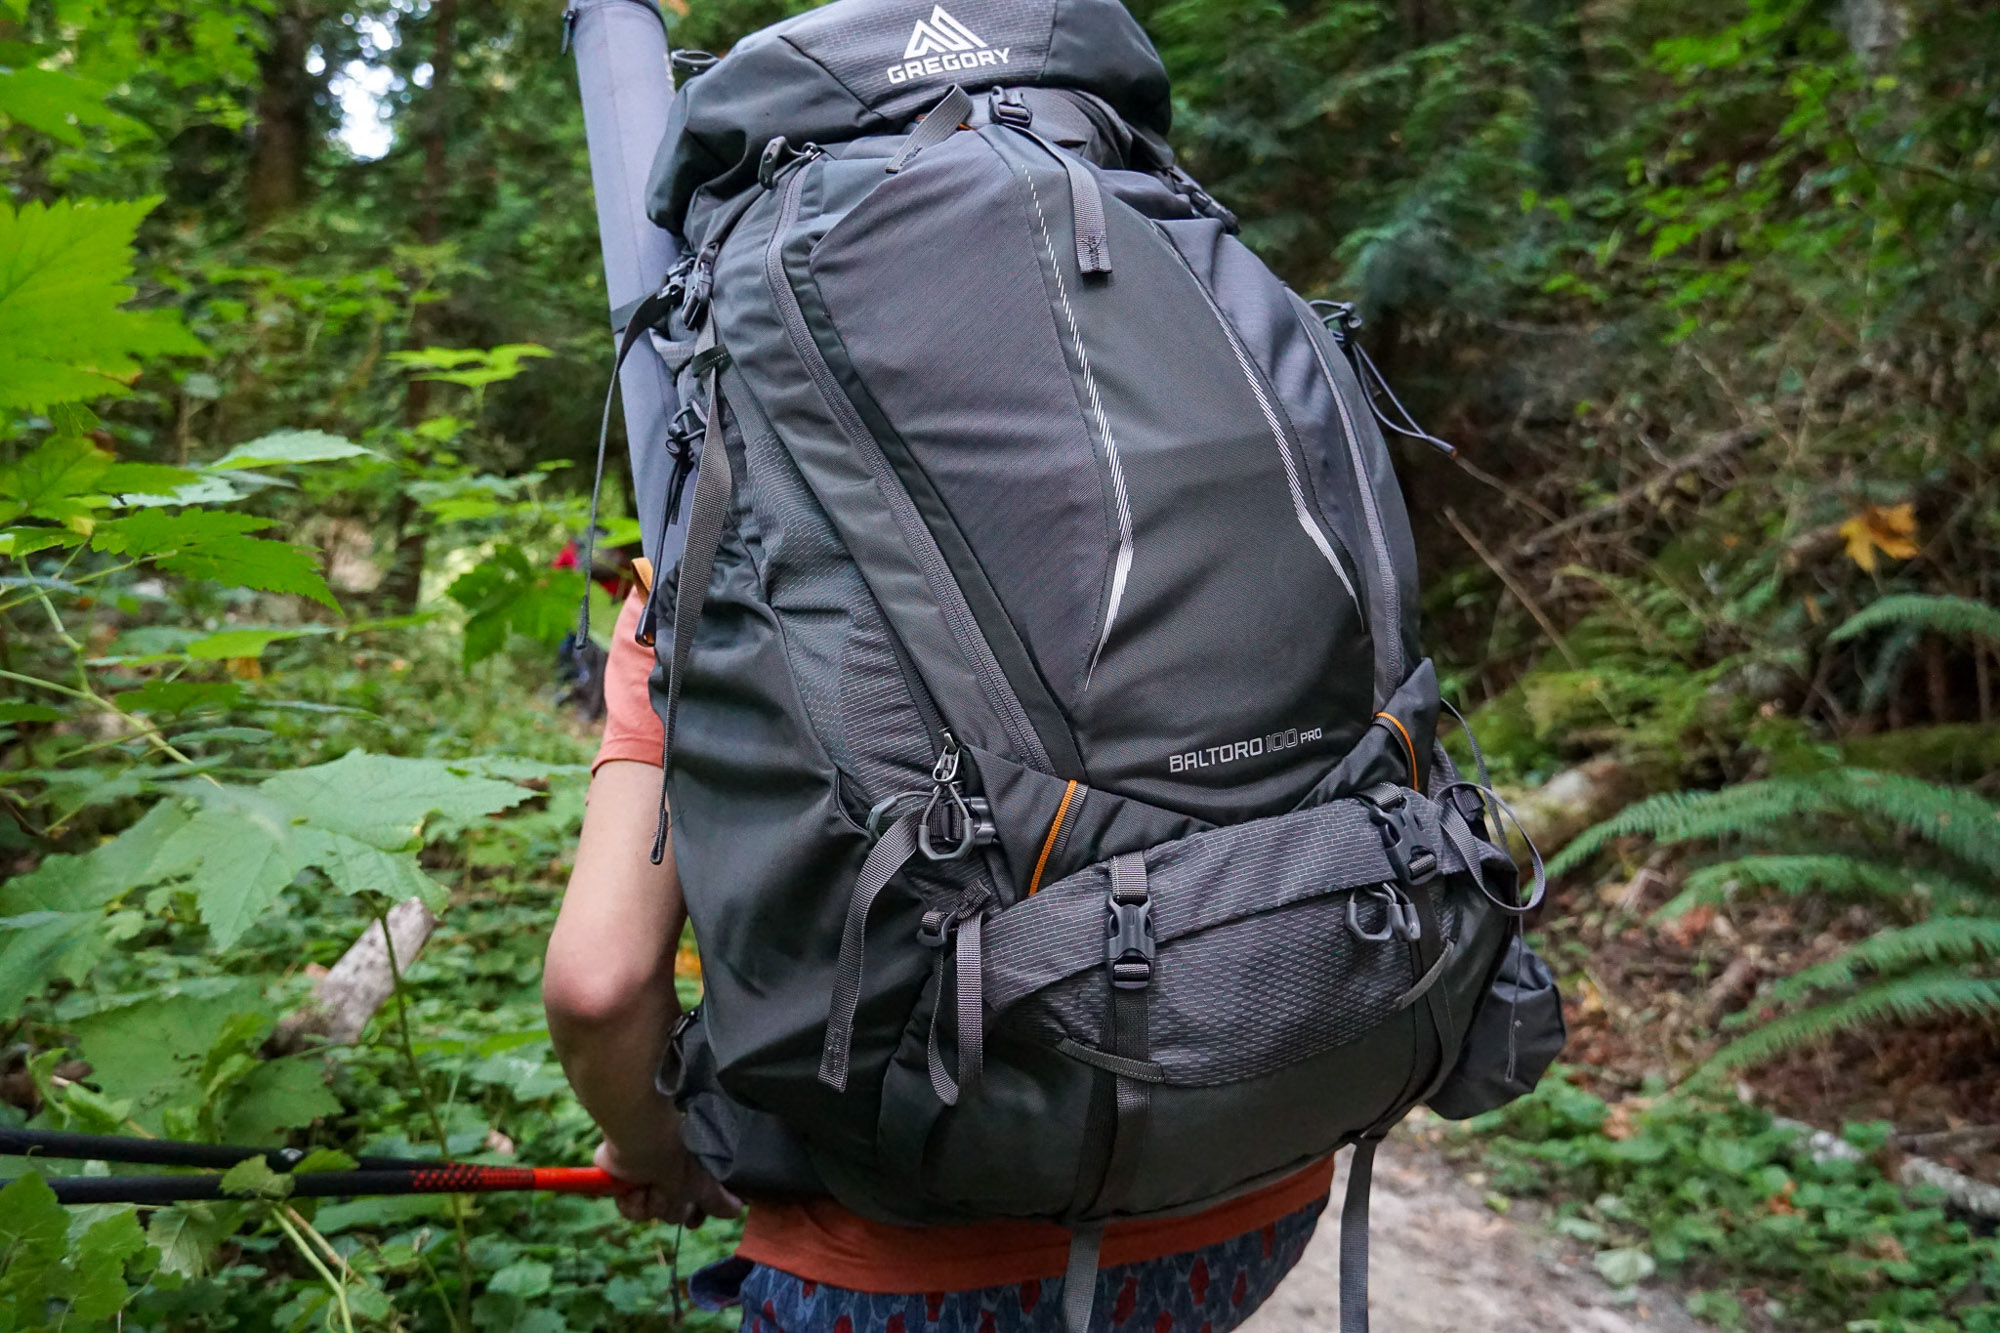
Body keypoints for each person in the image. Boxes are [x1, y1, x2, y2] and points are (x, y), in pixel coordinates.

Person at [546, 586, 1334, 1332]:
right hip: (1256, 1183)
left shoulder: (707, 558)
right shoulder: (1201, 462)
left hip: (913, 1263)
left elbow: (598, 987)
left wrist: (652, 1148)